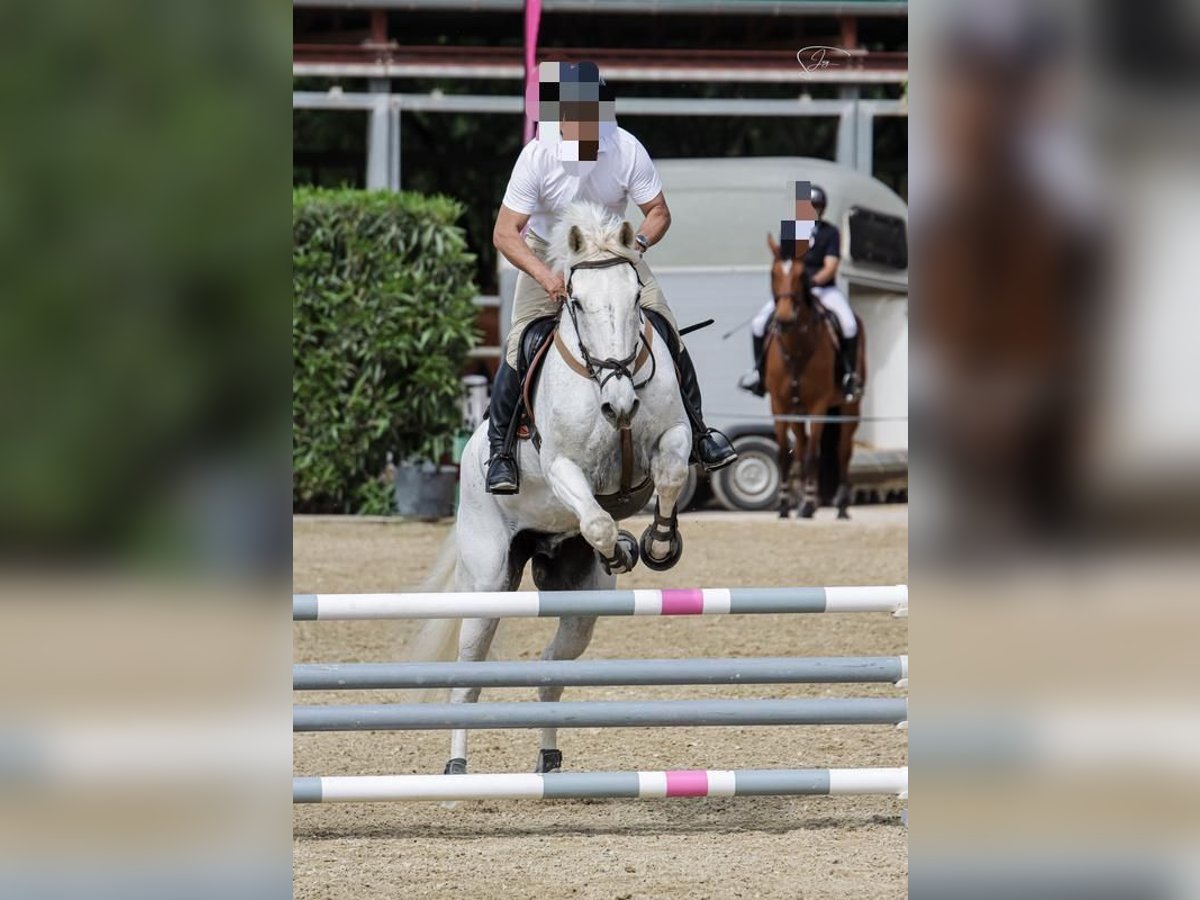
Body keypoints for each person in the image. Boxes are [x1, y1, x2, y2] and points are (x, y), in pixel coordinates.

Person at [484, 62, 737, 494]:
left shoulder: (625, 147)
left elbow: (658, 212)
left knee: (664, 325)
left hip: (614, 248)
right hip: (550, 249)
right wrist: (545, 274)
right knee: (520, 341)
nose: (580, 123)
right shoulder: (536, 155)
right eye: (571, 113)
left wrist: (634, 246)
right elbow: (504, 233)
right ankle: (501, 453)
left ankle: (699, 432)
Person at [739, 184, 863, 402]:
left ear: (823, 209)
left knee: (849, 324)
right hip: (793, 292)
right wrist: (792, 286)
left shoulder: (830, 232)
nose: (813, 210)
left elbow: (831, 265)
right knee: (759, 323)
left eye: (817, 206)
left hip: (822, 289)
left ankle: (848, 375)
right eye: (809, 205)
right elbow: (784, 262)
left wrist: (813, 281)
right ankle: (758, 374)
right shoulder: (791, 230)